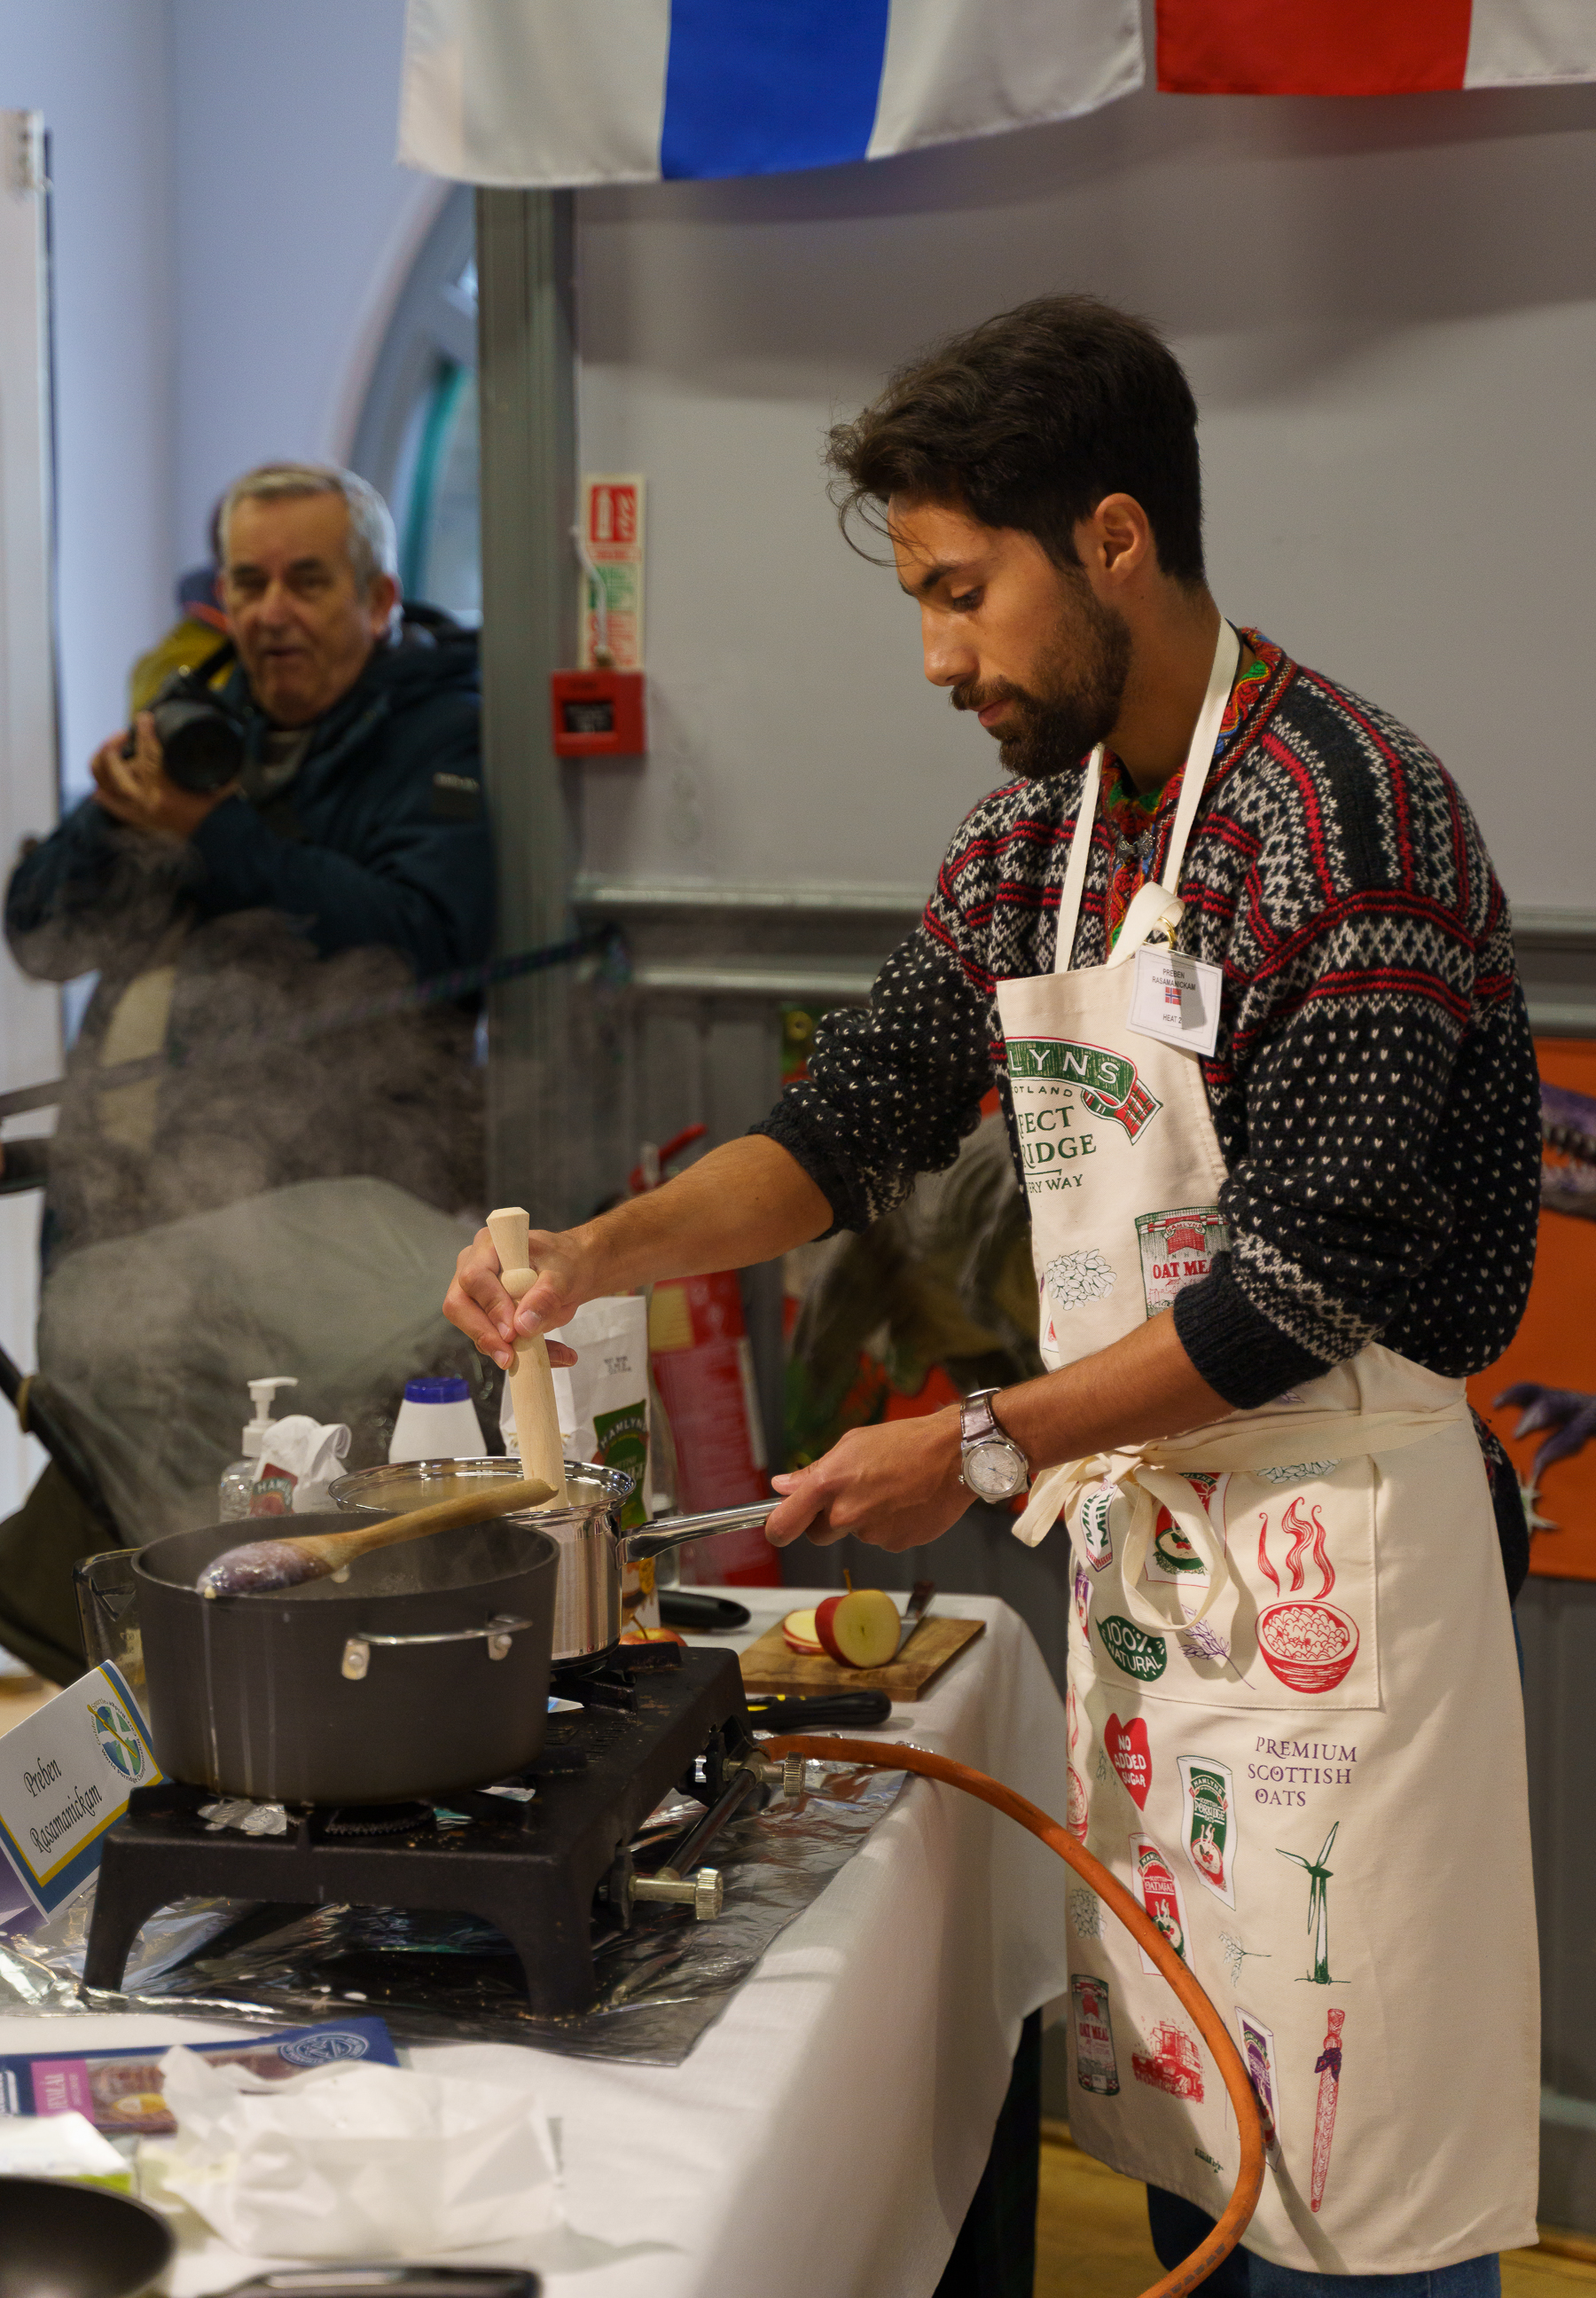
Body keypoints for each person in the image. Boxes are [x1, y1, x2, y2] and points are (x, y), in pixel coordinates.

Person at [446, 298, 1540, 2295]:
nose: (940, 656)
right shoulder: (1040, 837)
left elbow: (1302, 1286)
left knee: (1348, 2191)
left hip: (1336, 1575)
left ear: (1113, 538)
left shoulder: (1349, 820)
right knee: (1197, 2152)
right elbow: (844, 1123)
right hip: (1149, 1558)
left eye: (965, 594)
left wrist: (979, 1441)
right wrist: (588, 1255)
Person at [2, 462, 495, 1676]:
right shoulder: (196, 717)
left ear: (378, 599)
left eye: (308, 581)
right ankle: (159, 1742)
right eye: (249, 581)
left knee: (293, 1553)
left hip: (323, 1224)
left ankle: (281, 1734)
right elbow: (42, 930)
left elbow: (417, 944)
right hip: (122, 1217)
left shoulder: (444, 727)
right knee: (134, 1548)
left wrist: (206, 832)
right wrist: (118, 812)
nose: (271, 611)